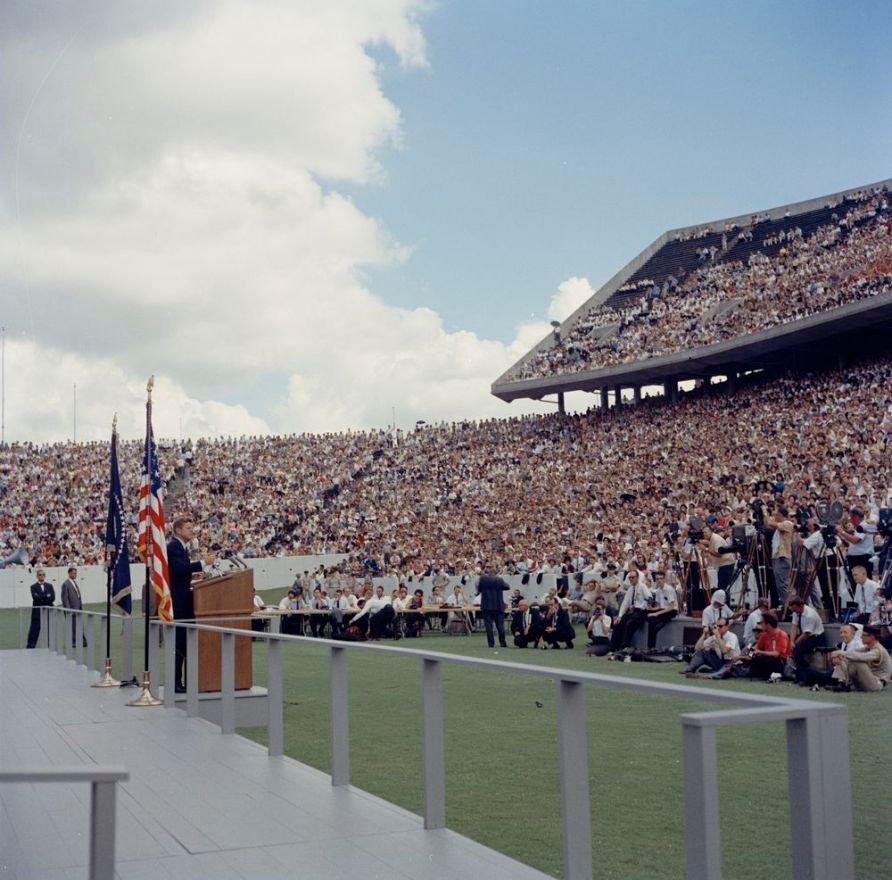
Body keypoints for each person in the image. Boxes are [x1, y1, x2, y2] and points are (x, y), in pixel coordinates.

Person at [167, 517, 212, 693]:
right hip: (179, 603)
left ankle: (180, 681)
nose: (191, 531)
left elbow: (181, 572)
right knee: (179, 642)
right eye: (188, 528)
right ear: (178, 530)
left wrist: (193, 577)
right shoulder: (174, 547)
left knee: (183, 642)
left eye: (192, 528)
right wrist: (203, 563)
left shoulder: (181, 547)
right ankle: (176, 682)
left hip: (183, 600)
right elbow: (179, 569)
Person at [831, 625, 891, 692]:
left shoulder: (878, 650)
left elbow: (861, 657)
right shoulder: (868, 648)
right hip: (866, 681)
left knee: (857, 661)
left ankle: (843, 684)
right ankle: (841, 683)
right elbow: (852, 653)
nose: (861, 637)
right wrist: (839, 656)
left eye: (863, 635)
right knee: (844, 658)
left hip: (876, 684)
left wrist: (841, 652)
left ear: (872, 637)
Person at [610, 569, 651, 650]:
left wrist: (645, 605)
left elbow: (649, 597)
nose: (631, 579)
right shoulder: (630, 589)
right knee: (618, 623)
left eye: (633, 577)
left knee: (629, 624)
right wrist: (620, 616)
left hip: (641, 611)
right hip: (632, 611)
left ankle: (625, 646)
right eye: (630, 578)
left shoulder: (642, 586)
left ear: (637, 577)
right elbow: (625, 604)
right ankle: (614, 647)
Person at [788, 595, 825, 682]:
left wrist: (796, 643)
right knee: (794, 649)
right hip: (805, 634)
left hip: (816, 636)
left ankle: (805, 673)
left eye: (795, 609)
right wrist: (791, 641)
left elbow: (806, 634)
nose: (794, 612)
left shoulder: (810, 614)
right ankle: (801, 674)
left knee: (797, 652)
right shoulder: (796, 612)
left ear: (801, 606)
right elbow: (794, 626)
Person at [477, 564, 509, 648]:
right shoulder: (499, 579)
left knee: (488, 626)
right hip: (498, 606)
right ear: (496, 572)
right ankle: (503, 643)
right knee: (500, 626)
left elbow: (479, 589)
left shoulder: (483, 579)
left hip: (486, 606)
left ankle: (491, 644)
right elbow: (507, 587)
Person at [646, 570, 677, 649]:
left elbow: (671, 607)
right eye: (657, 579)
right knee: (648, 617)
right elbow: (658, 606)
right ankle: (651, 647)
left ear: (664, 579)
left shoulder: (669, 589)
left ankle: (662, 622)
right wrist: (651, 609)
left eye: (660, 578)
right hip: (663, 610)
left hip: (671, 610)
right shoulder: (658, 590)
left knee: (654, 623)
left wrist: (656, 613)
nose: (659, 580)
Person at [26, 569, 55, 649]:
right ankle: (30, 646)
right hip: (37, 611)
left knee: (49, 628)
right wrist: (46, 596)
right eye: (40, 574)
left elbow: (52, 598)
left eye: (43, 574)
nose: (41, 576)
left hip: (48, 610)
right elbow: (35, 598)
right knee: (34, 628)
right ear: (37, 576)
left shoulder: (50, 586)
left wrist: (41, 597)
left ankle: (49, 646)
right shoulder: (33, 586)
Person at [60, 566, 87, 648]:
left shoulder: (74, 583)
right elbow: (65, 598)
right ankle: (73, 641)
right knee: (72, 626)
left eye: (76, 573)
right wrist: (68, 610)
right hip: (71, 610)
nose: (75, 574)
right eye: (74, 573)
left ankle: (82, 640)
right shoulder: (66, 584)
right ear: (69, 573)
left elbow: (78, 596)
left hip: (77, 609)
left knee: (79, 625)